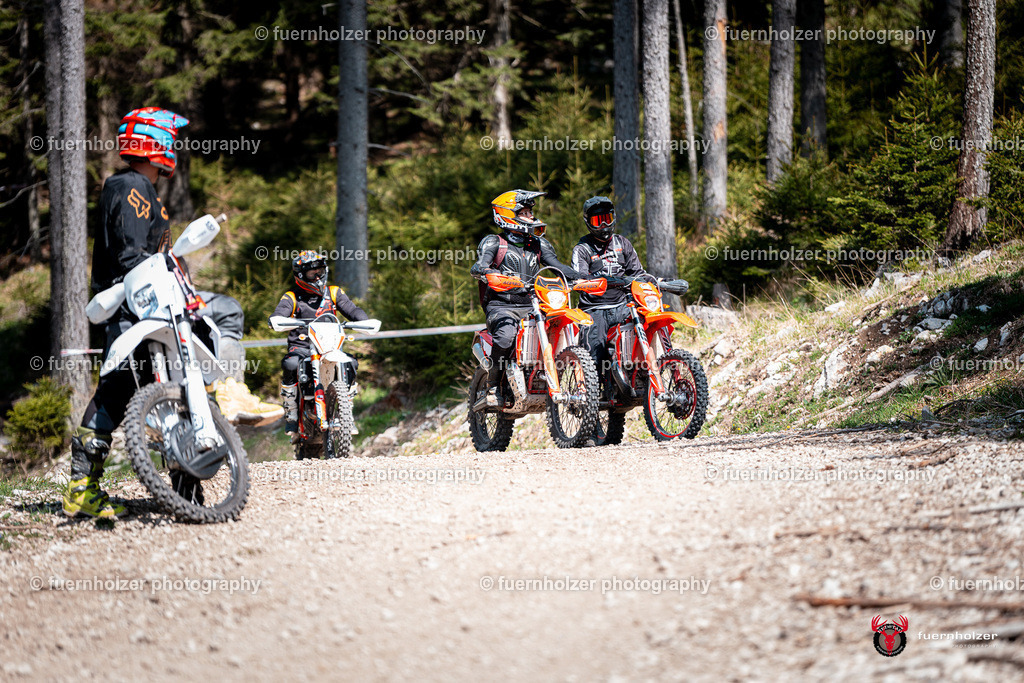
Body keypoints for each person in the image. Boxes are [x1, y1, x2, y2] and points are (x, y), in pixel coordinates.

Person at [64, 107, 278, 519]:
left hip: (144, 301)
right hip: (135, 301)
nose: (174, 148)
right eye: (170, 140)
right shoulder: (130, 186)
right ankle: (228, 386)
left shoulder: (139, 188)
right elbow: (132, 253)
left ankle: (155, 489)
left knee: (138, 391)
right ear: (154, 142)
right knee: (220, 316)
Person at [469, 189, 591, 411]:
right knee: (506, 337)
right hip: (502, 305)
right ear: (507, 214)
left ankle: (564, 379)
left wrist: (582, 278)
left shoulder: (538, 244)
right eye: (524, 212)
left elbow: (558, 267)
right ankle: (493, 387)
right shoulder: (494, 242)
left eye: (530, 212)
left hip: (532, 303)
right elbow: (480, 265)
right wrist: (486, 271)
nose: (530, 216)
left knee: (564, 326)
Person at [272, 250, 369, 435]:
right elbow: (280, 312)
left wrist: (364, 320)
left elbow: (352, 309)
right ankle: (291, 412)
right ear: (301, 275)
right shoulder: (292, 297)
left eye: (320, 271)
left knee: (351, 362)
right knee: (290, 364)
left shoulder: (333, 292)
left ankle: (346, 412)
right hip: (302, 347)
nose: (317, 276)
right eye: (312, 273)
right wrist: (277, 320)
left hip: (329, 347)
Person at [570, 196, 657, 393]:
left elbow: (638, 274)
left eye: (606, 218)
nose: (603, 225)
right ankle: (588, 393)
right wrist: (604, 281)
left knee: (647, 322)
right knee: (594, 355)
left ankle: (649, 369)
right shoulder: (582, 249)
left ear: (613, 218)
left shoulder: (622, 243)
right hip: (594, 309)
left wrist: (658, 281)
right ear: (588, 223)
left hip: (622, 306)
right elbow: (579, 279)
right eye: (597, 221)